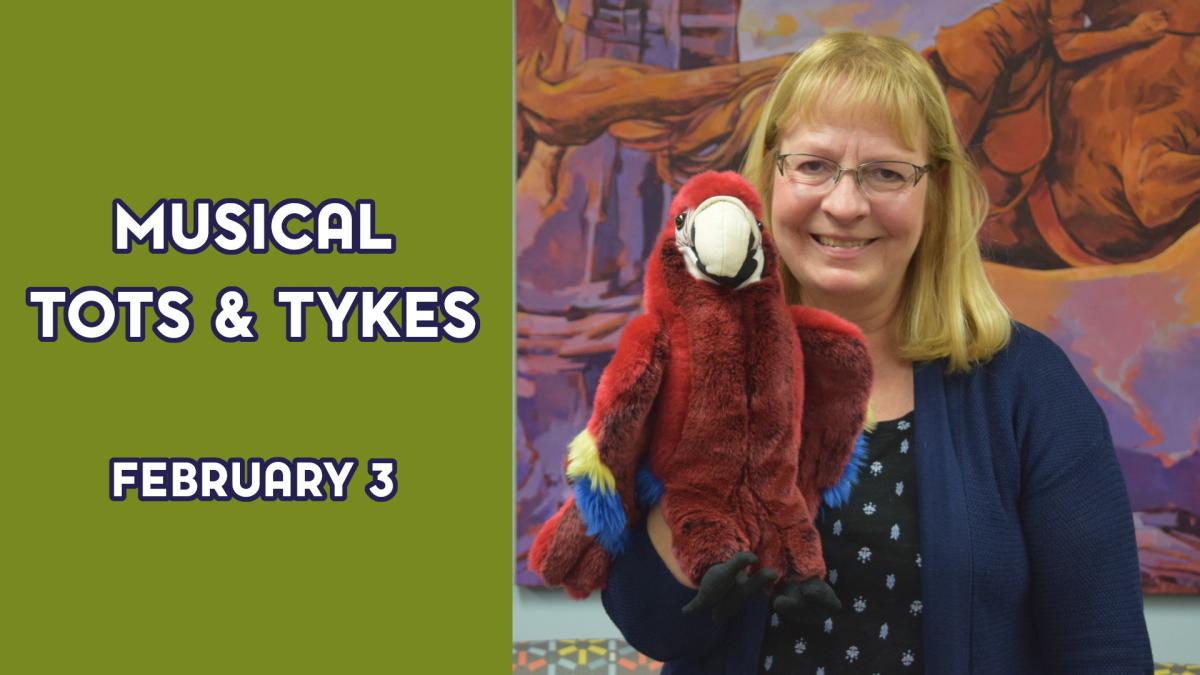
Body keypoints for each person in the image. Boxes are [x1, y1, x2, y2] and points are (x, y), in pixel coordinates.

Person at [600, 33, 1152, 674]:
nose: (844, 204)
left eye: (885, 173)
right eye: (813, 165)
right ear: (769, 176)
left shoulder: (1028, 387)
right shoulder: (691, 367)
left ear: (934, 191)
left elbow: (1102, 650)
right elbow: (653, 623)